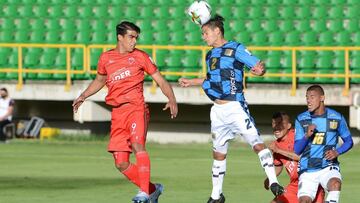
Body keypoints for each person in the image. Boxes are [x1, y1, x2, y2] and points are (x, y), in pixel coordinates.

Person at [178, 15, 284, 203]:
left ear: (217, 31)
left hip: (235, 106)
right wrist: (191, 81)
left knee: (257, 144)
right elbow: (211, 79)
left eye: (205, 33)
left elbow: (259, 66)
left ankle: (274, 183)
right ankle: (216, 195)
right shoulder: (210, 54)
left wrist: (260, 71)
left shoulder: (236, 48)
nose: (203, 37)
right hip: (217, 111)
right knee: (218, 153)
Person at [73, 21, 178, 203]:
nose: (134, 41)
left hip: (136, 108)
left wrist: (172, 99)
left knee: (138, 146)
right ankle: (153, 189)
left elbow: (160, 80)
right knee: (120, 162)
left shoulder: (141, 57)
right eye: (131, 37)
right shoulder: (106, 58)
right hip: (117, 113)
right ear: (119, 37)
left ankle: (144, 192)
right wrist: (83, 95)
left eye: (136, 37)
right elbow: (99, 81)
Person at [294, 85, 353, 203]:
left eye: (312, 97)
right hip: (307, 169)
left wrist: (337, 151)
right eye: (307, 98)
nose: (308, 101)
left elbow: (349, 141)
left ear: (322, 98)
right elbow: (297, 150)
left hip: (328, 167)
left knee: (335, 184)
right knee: (304, 201)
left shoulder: (336, 117)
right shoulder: (301, 119)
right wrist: (307, 135)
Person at [264, 111, 324, 203]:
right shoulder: (276, 145)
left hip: (312, 181)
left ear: (288, 126)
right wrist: (270, 178)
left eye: (280, 123)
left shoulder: (297, 136)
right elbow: (278, 166)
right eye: (274, 123)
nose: (276, 126)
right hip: (295, 185)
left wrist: (278, 150)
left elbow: (303, 157)